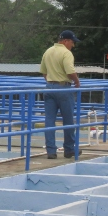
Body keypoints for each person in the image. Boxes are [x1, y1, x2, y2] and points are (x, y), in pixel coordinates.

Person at [40, 30, 82, 159]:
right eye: (72, 42)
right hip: (64, 88)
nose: (73, 45)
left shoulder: (48, 51)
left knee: (49, 120)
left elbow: (43, 71)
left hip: (49, 88)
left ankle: (51, 151)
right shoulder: (66, 53)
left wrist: (51, 82)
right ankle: (69, 149)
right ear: (66, 41)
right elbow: (70, 71)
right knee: (68, 120)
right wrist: (77, 81)